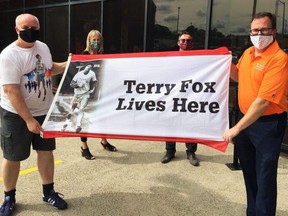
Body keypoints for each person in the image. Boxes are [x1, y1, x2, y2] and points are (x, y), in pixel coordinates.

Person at [0, 13, 68, 216]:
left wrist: (68, 64)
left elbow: (49, 69)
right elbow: (11, 90)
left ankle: (48, 192)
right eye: (25, 28)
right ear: (17, 30)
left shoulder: (43, 47)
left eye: (34, 27)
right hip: (16, 115)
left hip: (44, 112)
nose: (31, 31)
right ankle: (9, 197)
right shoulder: (9, 55)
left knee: (46, 153)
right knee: (13, 157)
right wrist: (28, 120)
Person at [223, 12, 287, 216]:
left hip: (267, 125)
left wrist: (235, 129)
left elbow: (263, 102)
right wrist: (222, 63)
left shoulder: (279, 59)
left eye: (264, 30)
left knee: (265, 177)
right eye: (255, 30)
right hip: (245, 121)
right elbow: (239, 76)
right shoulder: (249, 53)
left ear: (274, 31)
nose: (259, 34)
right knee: (249, 174)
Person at [161, 31, 199, 166]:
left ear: (192, 43)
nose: (185, 43)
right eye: (183, 40)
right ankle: (170, 151)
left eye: (188, 41)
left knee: (190, 124)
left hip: (191, 96)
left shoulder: (199, 59)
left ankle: (191, 152)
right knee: (171, 124)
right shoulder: (171, 58)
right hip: (173, 96)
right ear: (178, 42)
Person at [80, 30, 117, 160]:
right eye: (93, 40)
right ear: (89, 40)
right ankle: (84, 147)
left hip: (101, 92)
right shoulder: (83, 55)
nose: (95, 42)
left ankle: (104, 141)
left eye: (98, 40)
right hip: (87, 93)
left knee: (102, 117)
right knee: (85, 120)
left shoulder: (102, 55)